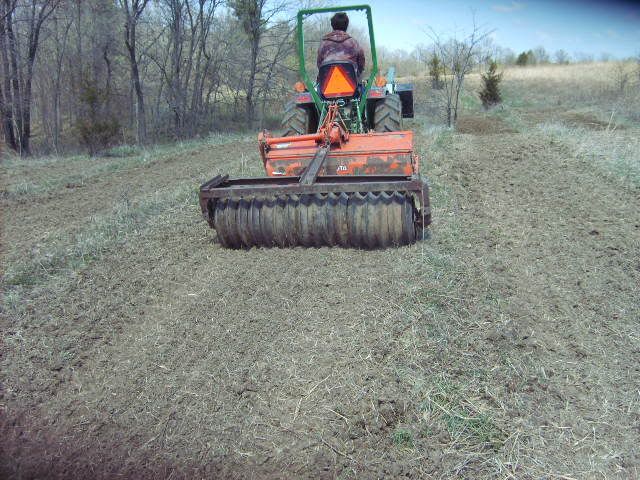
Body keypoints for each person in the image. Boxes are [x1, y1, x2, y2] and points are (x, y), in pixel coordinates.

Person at [317, 12, 365, 78]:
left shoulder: (323, 44)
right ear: (346, 25)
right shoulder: (354, 43)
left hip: (328, 84)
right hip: (350, 83)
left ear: (332, 25)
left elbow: (320, 65)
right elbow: (361, 64)